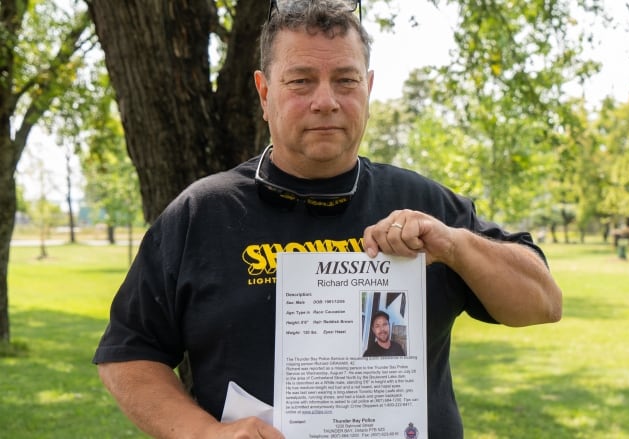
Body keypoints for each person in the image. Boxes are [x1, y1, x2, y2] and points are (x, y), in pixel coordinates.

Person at [92, 1, 563, 438]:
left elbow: (543, 302)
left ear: (369, 88)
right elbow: (129, 354)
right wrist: (206, 434)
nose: (326, 101)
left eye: (345, 80)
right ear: (264, 91)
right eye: (300, 81)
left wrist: (455, 247)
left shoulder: (424, 207)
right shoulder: (203, 213)